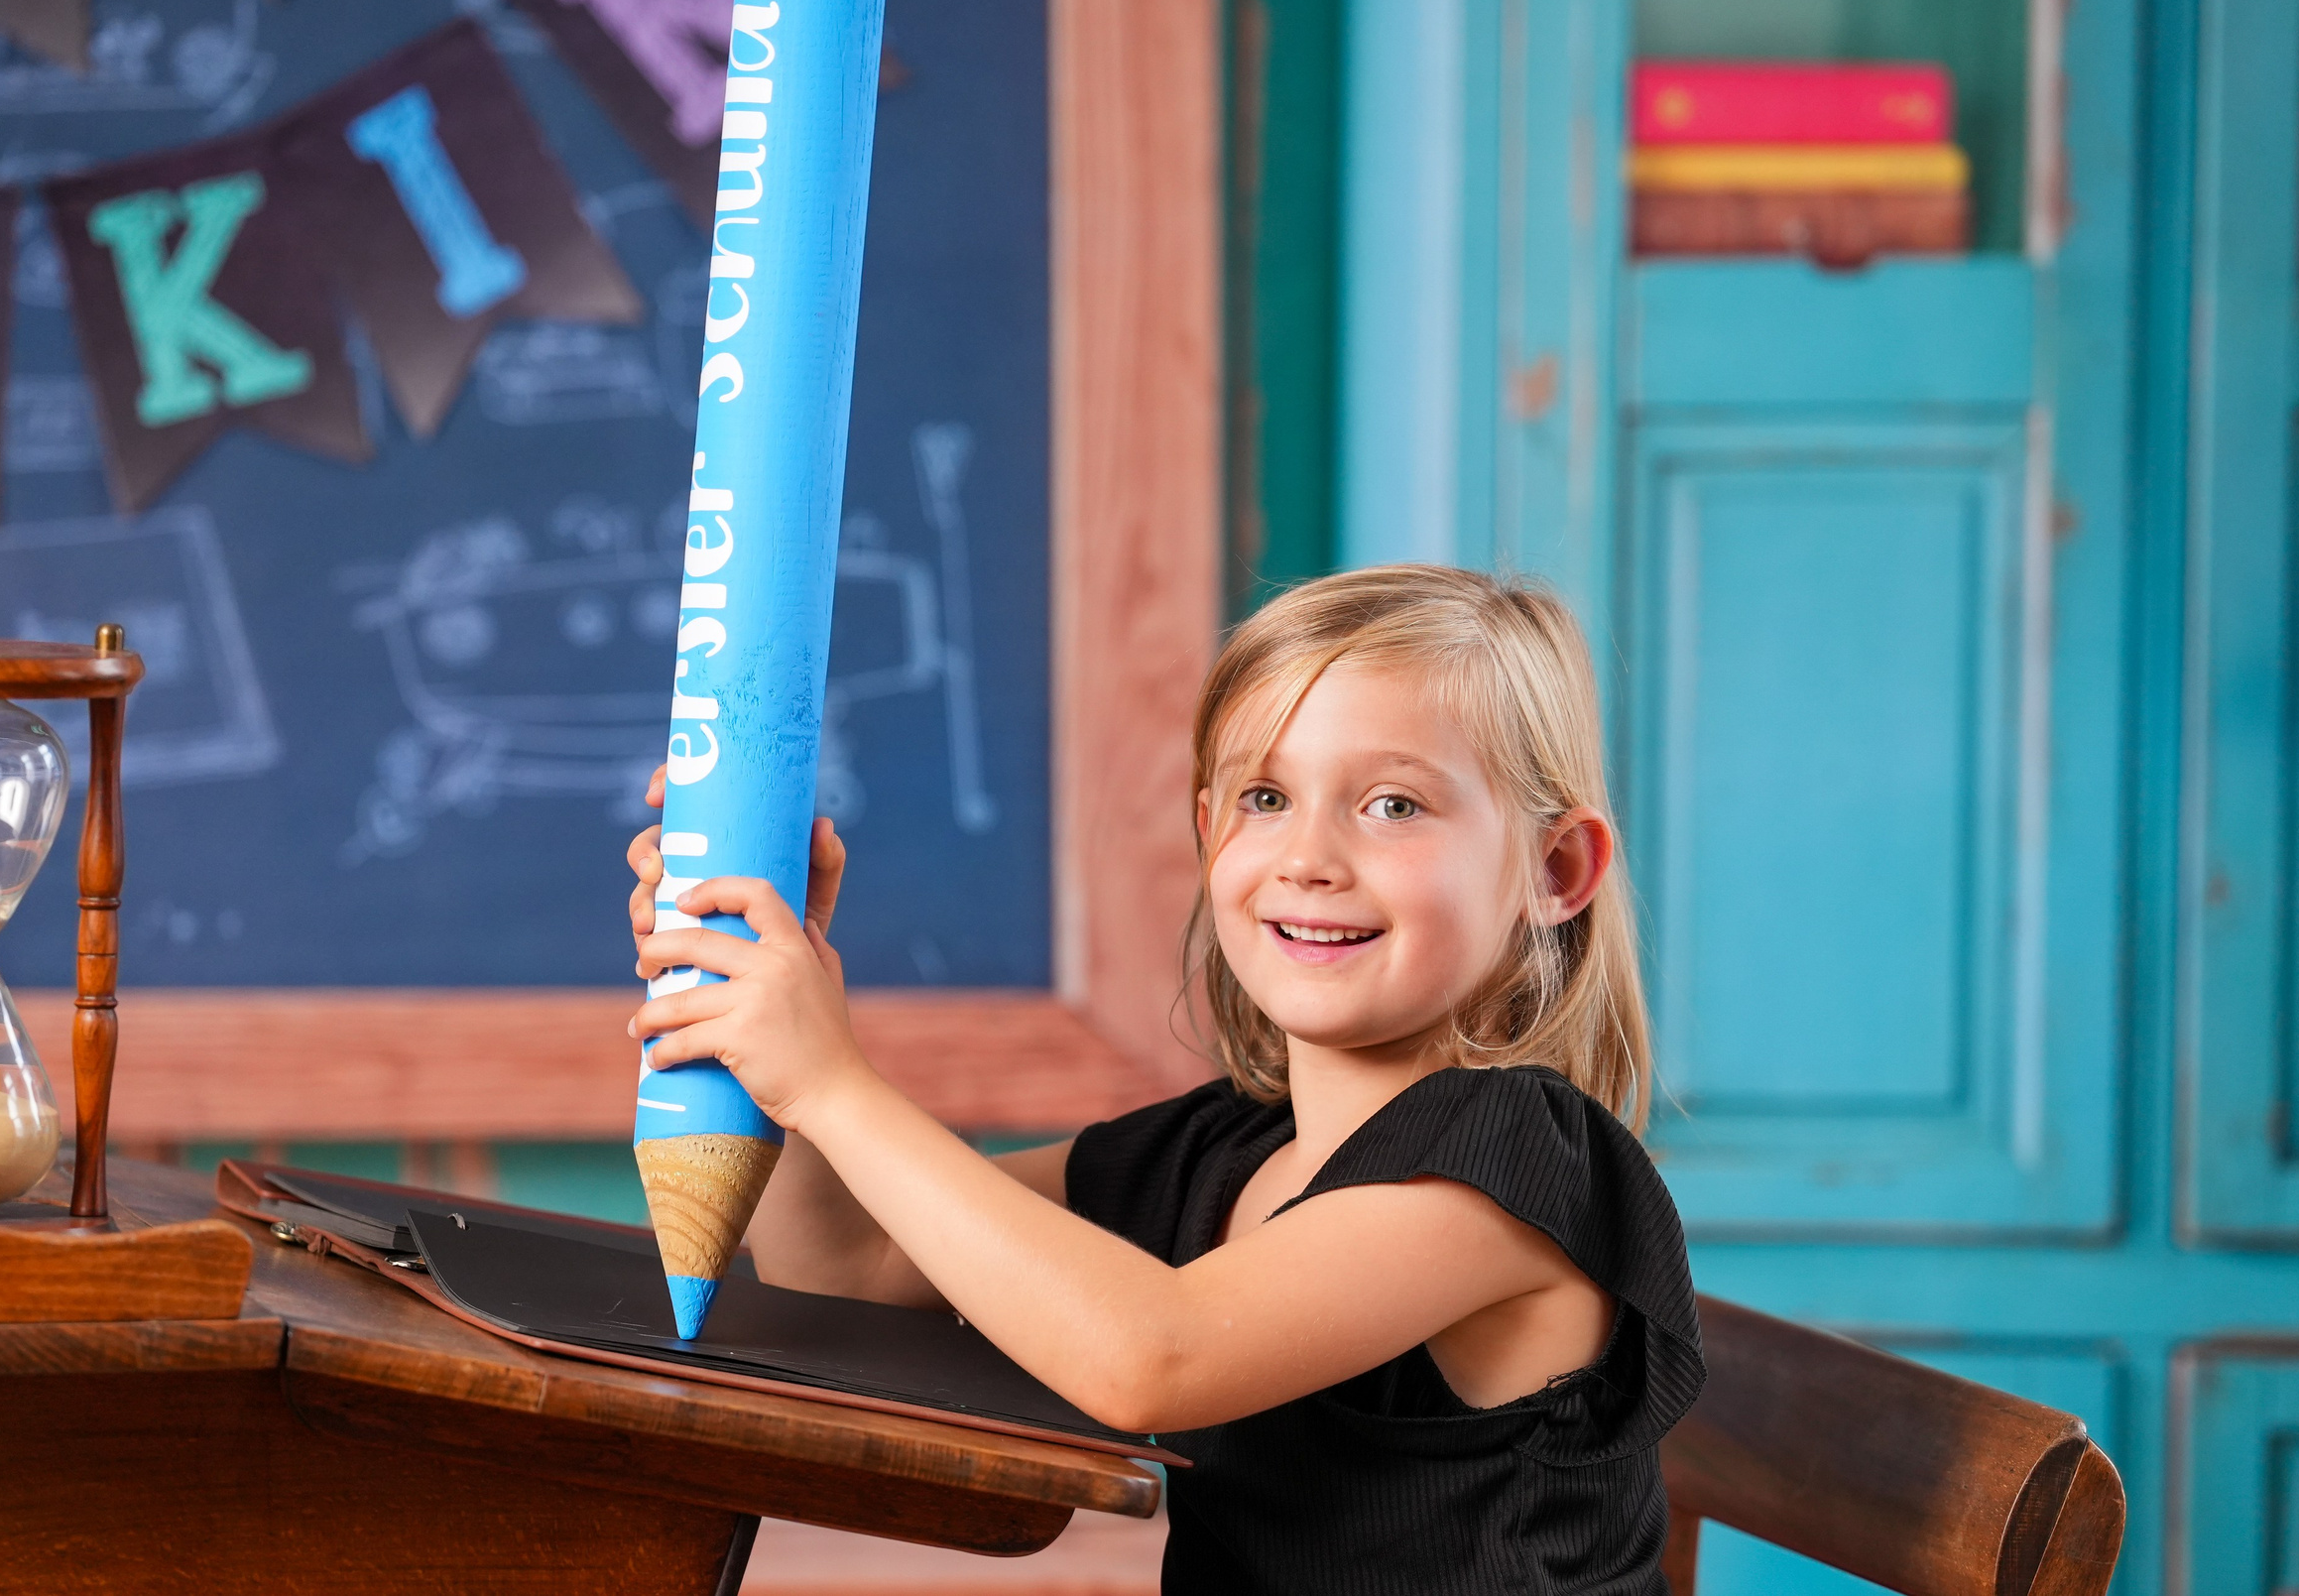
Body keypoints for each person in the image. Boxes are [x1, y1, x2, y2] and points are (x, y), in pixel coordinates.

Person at [625, 563, 1702, 1595]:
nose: (1308, 856)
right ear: (1207, 828)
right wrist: (765, 1008)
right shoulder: (1223, 1147)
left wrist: (830, 1079)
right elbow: (851, 1263)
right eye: (1266, 795)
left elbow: (1155, 1356)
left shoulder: (1515, 1158)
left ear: (1554, 871)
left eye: (1393, 806)